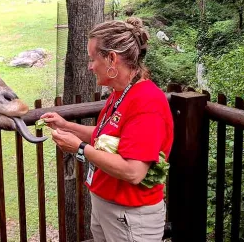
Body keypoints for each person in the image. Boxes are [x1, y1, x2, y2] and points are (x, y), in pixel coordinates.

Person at [40, 17, 173, 242]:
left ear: (112, 58)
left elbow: (134, 171)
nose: (90, 66)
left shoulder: (147, 102)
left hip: (129, 216)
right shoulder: (121, 93)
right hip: (108, 207)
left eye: (93, 59)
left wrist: (79, 148)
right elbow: (106, 138)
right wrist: (66, 126)